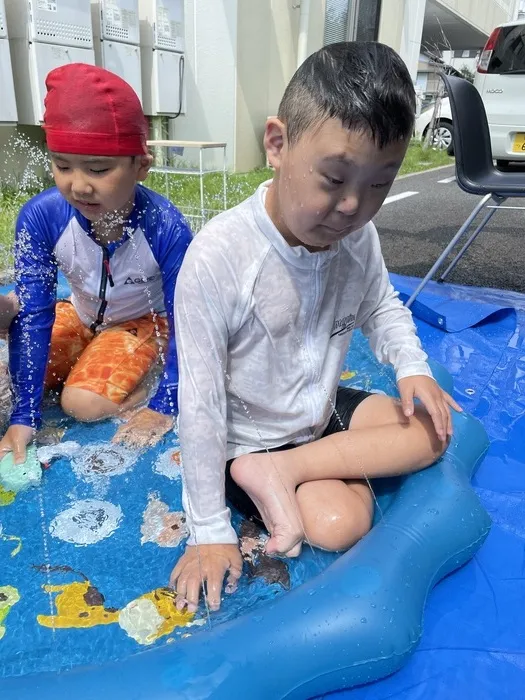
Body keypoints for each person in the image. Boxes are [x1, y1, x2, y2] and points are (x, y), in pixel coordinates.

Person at [170, 42, 462, 613]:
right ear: (277, 144)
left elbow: (380, 306)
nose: (354, 206)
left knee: (432, 427)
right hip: (250, 436)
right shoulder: (219, 258)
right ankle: (267, 468)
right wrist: (209, 529)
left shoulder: (357, 237)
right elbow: (200, 401)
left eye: (380, 184)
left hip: (317, 413)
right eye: (333, 178)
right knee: (337, 522)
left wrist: (412, 369)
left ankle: (284, 471)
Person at [0, 63, 192, 464]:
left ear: (141, 164)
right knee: (12, 385)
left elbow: (188, 320)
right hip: (79, 312)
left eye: (99, 169)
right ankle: (88, 364)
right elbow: (36, 315)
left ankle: (142, 379)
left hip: (140, 322)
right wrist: (24, 416)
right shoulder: (40, 217)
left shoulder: (165, 227)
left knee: (81, 404)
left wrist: (165, 401)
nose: (79, 185)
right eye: (63, 165)